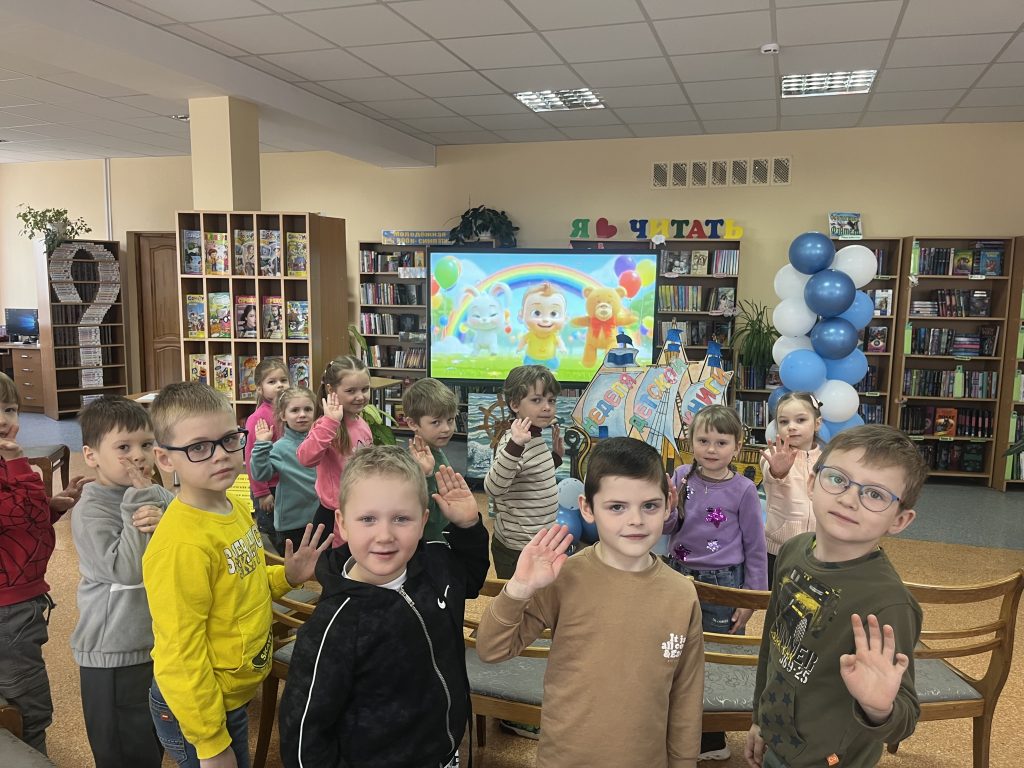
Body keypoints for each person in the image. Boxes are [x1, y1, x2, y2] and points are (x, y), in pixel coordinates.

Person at [476, 437, 704, 767]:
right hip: (565, 759)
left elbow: (686, 693)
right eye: (617, 507)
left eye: (650, 506)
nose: (636, 520)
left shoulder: (682, 594)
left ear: (669, 503)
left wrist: (684, 761)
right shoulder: (563, 578)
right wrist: (518, 589)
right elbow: (491, 649)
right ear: (587, 508)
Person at [143, 382, 331, 768]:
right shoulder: (181, 545)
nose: (222, 456)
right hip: (198, 710)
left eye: (229, 439)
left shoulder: (231, 506)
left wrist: (287, 576)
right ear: (165, 458)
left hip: (230, 695)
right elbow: (180, 653)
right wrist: (212, 744)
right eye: (199, 447)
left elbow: (245, 583)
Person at [279, 446, 488, 768]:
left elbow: (470, 579)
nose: (385, 535)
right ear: (342, 524)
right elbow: (304, 731)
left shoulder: (436, 564)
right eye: (368, 519)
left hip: (445, 752)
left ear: (423, 521)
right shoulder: (334, 625)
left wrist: (469, 526)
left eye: (401, 519)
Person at [745, 424, 928, 768]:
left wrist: (878, 708)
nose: (849, 499)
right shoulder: (793, 551)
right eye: (838, 479)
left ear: (900, 519)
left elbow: (904, 719)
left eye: (875, 494)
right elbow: (772, 643)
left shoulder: (889, 603)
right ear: (812, 483)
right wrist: (759, 717)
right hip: (776, 742)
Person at [71, 396, 173, 768]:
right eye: (124, 447)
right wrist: (140, 502)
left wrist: (159, 512)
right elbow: (126, 570)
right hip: (112, 654)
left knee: (149, 742)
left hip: (151, 643)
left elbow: (180, 520)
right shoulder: (90, 510)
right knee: (123, 751)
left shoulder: (153, 494)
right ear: (91, 455)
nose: (139, 456)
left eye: (146, 444)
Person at [665, 404, 767, 762]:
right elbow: (668, 528)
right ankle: (678, 725)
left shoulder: (744, 489)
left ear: (737, 447)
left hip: (723, 584)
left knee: (718, 656)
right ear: (691, 442)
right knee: (675, 650)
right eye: (703, 440)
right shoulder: (681, 476)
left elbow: (756, 547)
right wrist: (668, 509)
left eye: (721, 442)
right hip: (678, 575)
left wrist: (750, 599)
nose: (711, 449)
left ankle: (712, 738)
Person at [0, 372, 88, 754]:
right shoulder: (12, 465)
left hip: (18, 601)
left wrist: (50, 506)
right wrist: (19, 464)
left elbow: (22, 524)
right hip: (9, 611)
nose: (4, 420)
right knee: (29, 709)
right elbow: (24, 515)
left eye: (9, 409)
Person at [484, 364, 563, 579]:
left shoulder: (534, 436)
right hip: (517, 548)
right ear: (515, 404)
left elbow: (532, 476)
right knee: (518, 597)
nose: (547, 407)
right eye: (537, 400)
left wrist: (555, 457)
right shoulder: (513, 442)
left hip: (538, 542)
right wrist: (515, 445)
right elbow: (493, 488)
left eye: (551, 400)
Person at [297, 355, 373, 547]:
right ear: (331, 390)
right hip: (334, 516)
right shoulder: (326, 424)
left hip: (359, 506)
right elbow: (305, 458)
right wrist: (331, 422)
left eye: (365, 389)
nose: (360, 396)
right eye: (351, 391)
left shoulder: (361, 423)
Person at [760, 392, 823, 586]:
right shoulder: (773, 456)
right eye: (784, 422)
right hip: (779, 550)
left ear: (817, 423)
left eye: (801, 420)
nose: (792, 426)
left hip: (817, 550)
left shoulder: (828, 460)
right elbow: (772, 473)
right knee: (775, 598)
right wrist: (778, 471)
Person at [250, 387, 318, 555]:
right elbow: (261, 474)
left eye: (308, 409)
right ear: (283, 415)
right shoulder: (279, 448)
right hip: (292, 525)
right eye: (295, 410)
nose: (302, 414)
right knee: (296, 567)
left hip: (321, 519)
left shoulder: (321, 442)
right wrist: (261, 446)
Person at [403, 377, 458, 542]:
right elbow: (418, 510)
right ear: (413, 423)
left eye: (450, 420)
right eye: (436, 422)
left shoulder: (435, 451)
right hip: (429, 542)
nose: (446, 428)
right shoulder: (413, 463)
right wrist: (425, 476)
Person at [243, 358, 289, 546]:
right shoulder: (258, 418)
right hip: (268, 487)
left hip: (287, 483)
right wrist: (261, 492)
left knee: (286, 532)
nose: (280, 385)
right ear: (260, 388)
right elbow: (251, 458)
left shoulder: (292, 411)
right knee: (272, 533)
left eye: (283, 380)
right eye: (272, 382)